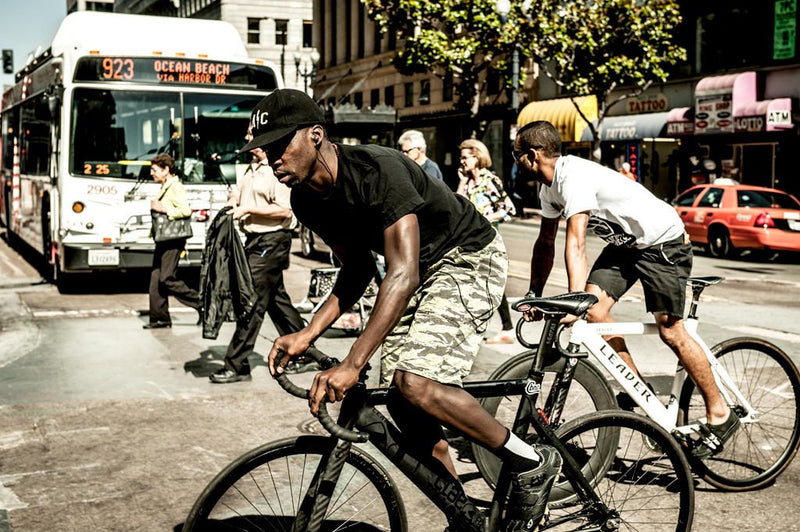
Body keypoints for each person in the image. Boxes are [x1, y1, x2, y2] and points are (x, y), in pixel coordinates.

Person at [253, 89, 560, 531]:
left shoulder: (380, 169)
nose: (272, 157)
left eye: (281, 144)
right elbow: (357, 270)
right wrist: (308, 333)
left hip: (467, 257)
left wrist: (353, 363)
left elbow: (402, 274)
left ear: (316, 135)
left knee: (415, 382)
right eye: (265, 148)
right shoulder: (306, 199)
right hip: (418, 271)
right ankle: (463, 517)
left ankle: (530, 460)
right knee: (406, 407)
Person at [514, 120, 739, 458]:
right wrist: (534, 293)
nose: (515, 161)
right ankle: (639, 392)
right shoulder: (548, 189)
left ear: (531, 156)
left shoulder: (571, 176)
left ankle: (720, 414)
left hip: (662, 242)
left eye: (516, 155)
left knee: (671, 331)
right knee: (595, 310)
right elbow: (545, 242)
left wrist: (574, 297)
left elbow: (575, 243)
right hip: (626, 247)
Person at [209, 126, 317, 383]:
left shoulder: (277, 169)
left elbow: (285, 211)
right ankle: (308, 352)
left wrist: (248, 208)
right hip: (255, 240)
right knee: (276, 301)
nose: (246, 138)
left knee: (251, 302)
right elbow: (249, 200)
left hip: (271, 241)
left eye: (251, 135)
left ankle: (237, 364)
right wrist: (237, 199)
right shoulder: (251, 168)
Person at [457, 138, 517, 345]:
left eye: (466, 158)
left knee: (492, 286)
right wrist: (462, 182)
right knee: (479, 285)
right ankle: (499, 328)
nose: (462, 162)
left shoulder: (489, 180)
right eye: (461, 158)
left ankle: (507, 328)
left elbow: (509, 209)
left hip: (488, 241)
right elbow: (457, 209)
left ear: (477, 157)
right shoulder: (470, 182)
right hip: (470, 243)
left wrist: (484, 220)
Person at [145, 153, 202, 329]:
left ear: (166, 169)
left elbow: (185, 210)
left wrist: (163, 208)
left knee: (167, 278)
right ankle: (159, 318)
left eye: (155, 170)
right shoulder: (166, 186)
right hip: (164, 239)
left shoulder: (175, 186)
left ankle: (201, 303)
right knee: (156, 280)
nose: (152, 173)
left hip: (173, 240)